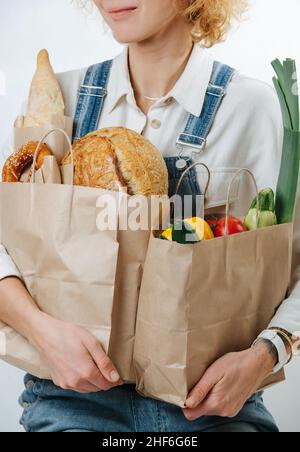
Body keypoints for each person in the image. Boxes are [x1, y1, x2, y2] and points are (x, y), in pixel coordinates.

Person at [0, 0, 299, 433]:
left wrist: (263, 357)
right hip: (74, 401)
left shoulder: (251, 109)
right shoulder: (56, 107)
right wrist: (42, 330)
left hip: (209, 405)